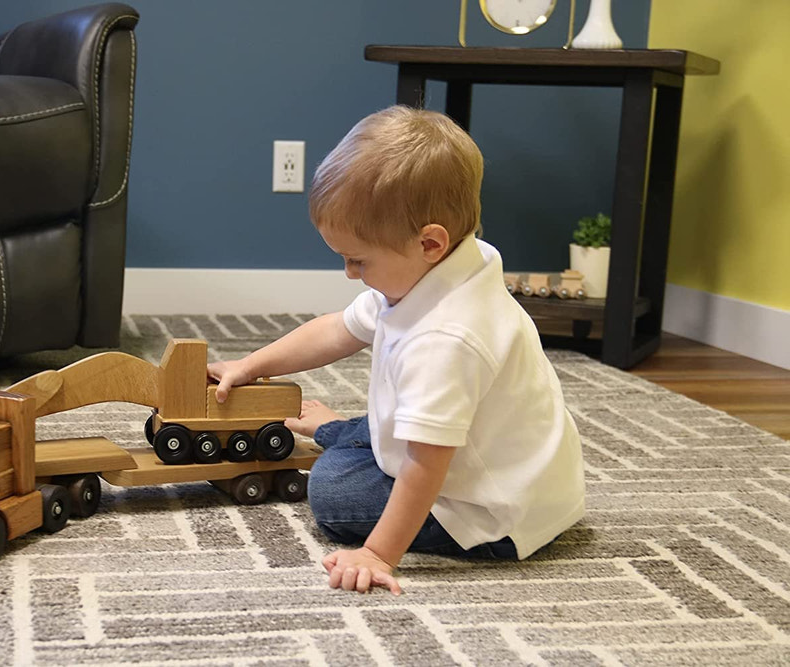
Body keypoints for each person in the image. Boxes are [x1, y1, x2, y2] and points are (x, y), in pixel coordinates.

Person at [207, 105, 585, 595]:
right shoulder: (448, 267)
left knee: (332, 487)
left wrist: (377, 553)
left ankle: (342, 436)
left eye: (357, 260)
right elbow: (338, 329)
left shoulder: (445, 339)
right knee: (395, 422)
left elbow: (426, 465)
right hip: (514, 466)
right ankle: (347, 431)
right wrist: (250, 364)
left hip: (491, 513)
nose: (349, 274)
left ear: (429, 244)